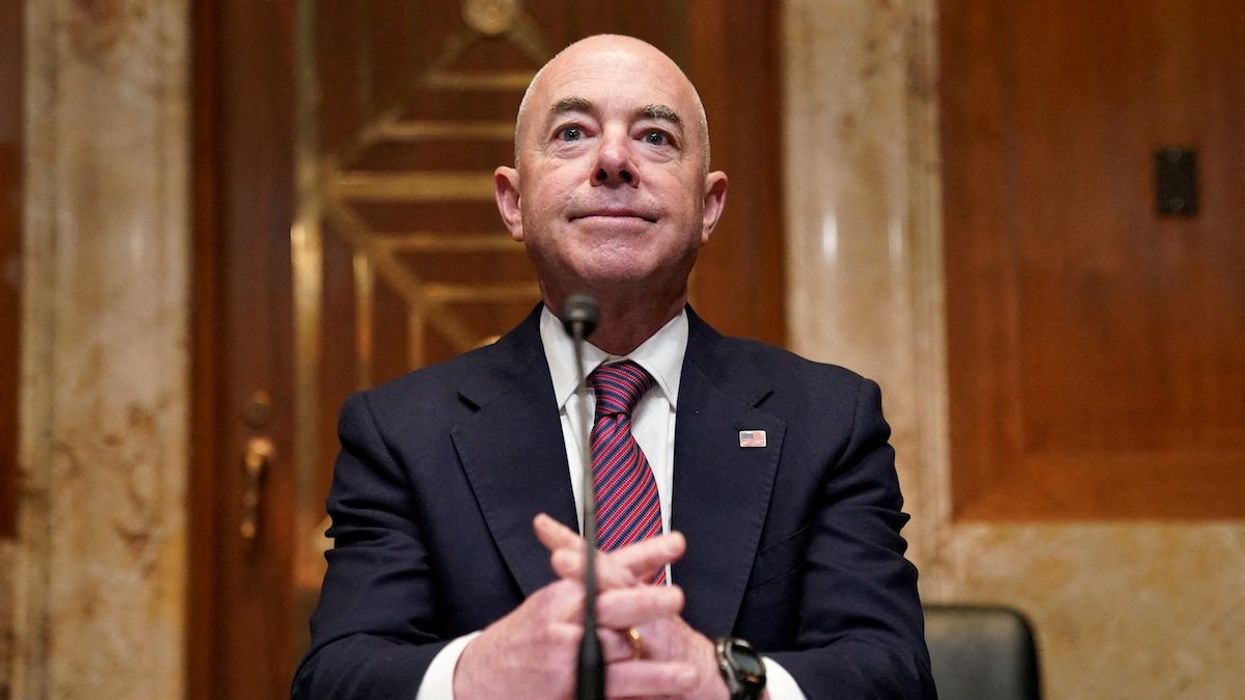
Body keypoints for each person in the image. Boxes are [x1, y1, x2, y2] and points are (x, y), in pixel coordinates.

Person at [292, 34, 935, 699]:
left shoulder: (825, 421)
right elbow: (335, 676)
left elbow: (891, 673)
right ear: (512, 202)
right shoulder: (401, 433)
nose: (613, 160)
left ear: (709, 206)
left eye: (655, 137)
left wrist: (722, 680)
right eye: (572, 132)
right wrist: (477, 673)